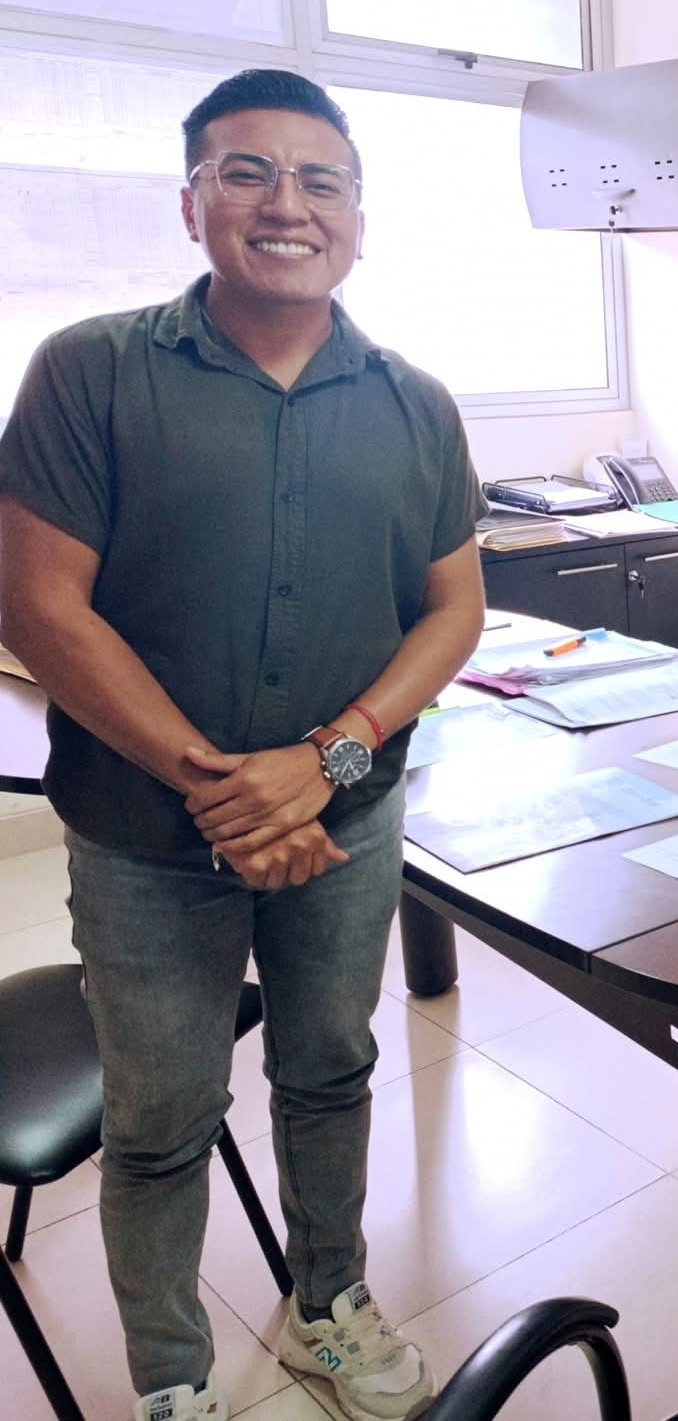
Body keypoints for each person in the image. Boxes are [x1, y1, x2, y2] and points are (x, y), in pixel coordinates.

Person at [0, 70, 488, 1421]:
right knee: (162, 1120)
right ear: (191, 203)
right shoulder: (92, 371)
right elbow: (36, 605)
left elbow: (454, 609)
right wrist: (219, 788)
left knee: (329, 1069)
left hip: (347, 824)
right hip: (144, 841)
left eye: (320, 179)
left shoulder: (415, 402)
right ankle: (172, 1378)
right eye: (247, 173)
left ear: (358, 218)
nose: (288, 205)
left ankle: (329, 1302)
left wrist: (325, 763)